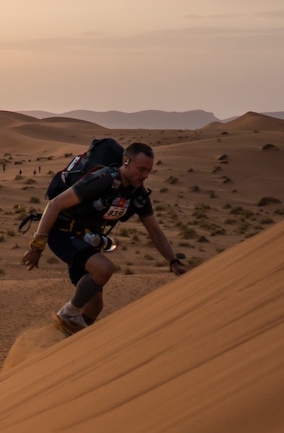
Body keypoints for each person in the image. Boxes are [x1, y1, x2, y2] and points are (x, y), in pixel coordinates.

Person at [21, 142, 187, 335]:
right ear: (126, 162)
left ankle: (69, 344)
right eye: (141, 169)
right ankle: (67, 314)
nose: (145, 176)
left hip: (86, 240)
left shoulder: (138, 195)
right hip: (62, 232)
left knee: (95, 305)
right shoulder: (102, 179)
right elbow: (55, 204)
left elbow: (155, 232)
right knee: (104, 268)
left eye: (148, 171)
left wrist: (173, 261)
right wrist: (36, 246)